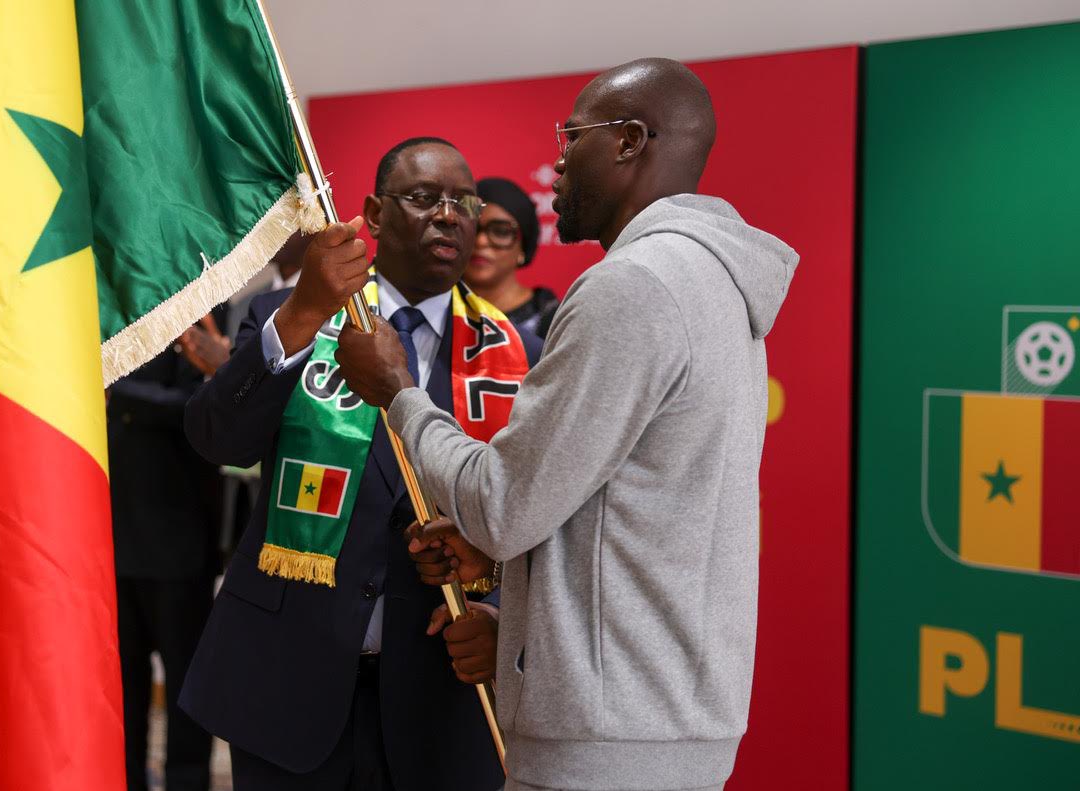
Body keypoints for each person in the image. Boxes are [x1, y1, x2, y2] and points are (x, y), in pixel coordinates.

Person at [334, 59, 799, 791]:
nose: (555, 158)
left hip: (606, 736)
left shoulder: (631, 288)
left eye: (571, 134)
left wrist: (398, 390)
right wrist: (520, 618)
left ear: (627, 141)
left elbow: (505, 502)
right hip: (663, 716)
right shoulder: (712, 280)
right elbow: (619, 511)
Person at [179, 137, 541, 791]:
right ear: (373, 216)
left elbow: (539, 517)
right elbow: (217, 440)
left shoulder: (519, 354)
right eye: (425, 198)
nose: (449, 215)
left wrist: (502, 615)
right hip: (286, 685)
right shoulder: (289, 315)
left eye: (464, 202)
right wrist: (301, 311)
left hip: (443, 698)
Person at [108, 337, 226, 791]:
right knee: (123, 685)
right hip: (116, 542)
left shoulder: (193, 319)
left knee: (183, 687)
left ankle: (187, 782)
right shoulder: (111, 328)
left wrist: (117, 393)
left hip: (179, 547)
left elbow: (198, 406)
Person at [464, 177, 559, 339]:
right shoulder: (434, 310)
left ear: (523, 247)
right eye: (472, 229)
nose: (481, 241)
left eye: (500, 231)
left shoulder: (551, 319)